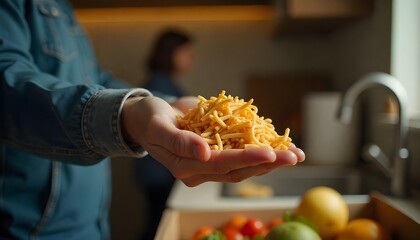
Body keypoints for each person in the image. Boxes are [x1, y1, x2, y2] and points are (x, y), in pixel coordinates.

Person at [0, 1, 305, 239]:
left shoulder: (66, 12)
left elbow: (99, 81)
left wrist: (156, 102)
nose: (191, 59)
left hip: (91, 221)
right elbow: (8, 84)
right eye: (187, 53)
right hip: (30, 226)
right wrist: (129, 114)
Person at [138, 29, 194, 240]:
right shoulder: (160, 84)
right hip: (158, 170)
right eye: (186, 52)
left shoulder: (164, 82)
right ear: (171, 54)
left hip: (157, 169)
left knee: (155, 222)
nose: (191, 57)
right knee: (157, 226)